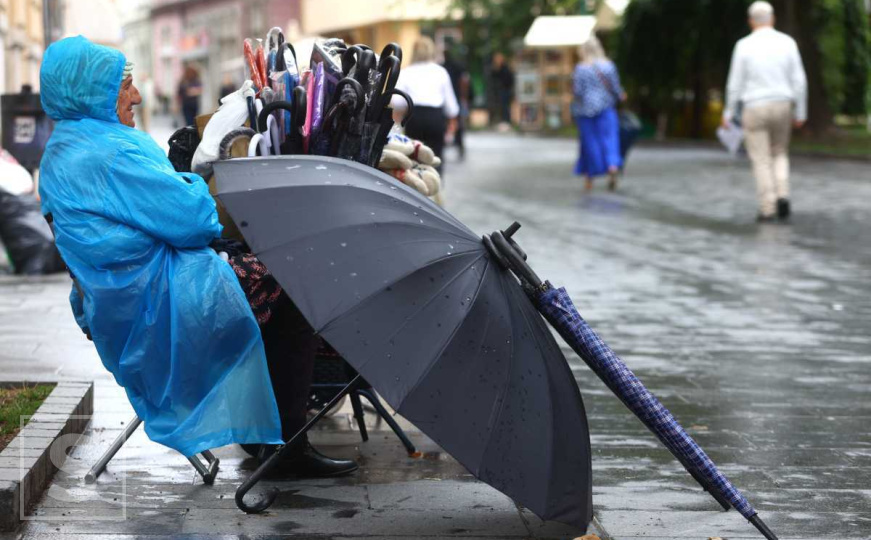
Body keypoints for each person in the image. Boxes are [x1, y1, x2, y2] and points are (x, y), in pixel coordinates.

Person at [37, 36, 356, 477]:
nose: (137, 96)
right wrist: (189, 185)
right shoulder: (112, 152)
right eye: (124, 85)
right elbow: (197, 222)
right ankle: (284, 447)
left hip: (116, 308)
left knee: (263, 268)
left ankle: (263, 430)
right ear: (91, 91)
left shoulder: (63, 148)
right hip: (159, 304)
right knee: (293, 279)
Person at [722, 1, 807, 222]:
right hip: (782, 104)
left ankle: (767, 207)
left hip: (754, 106)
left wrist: (728, 112)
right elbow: (799, 81)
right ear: (773, 18)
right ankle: (783, 194)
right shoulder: (787, 43)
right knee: (779, 152)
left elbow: (735, 83)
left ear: (751, 21)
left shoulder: (743, 45)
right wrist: (801, 113)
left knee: (760, 158)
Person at [393, 36, 459, 174]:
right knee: (436, 158)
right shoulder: (440, 72)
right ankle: (436, 187)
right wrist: (452, 124)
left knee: (414, 157)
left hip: (414, 117)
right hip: (435, 118)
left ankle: (417, 190)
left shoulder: (406, 72)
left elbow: (397, 102)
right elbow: (451, 107)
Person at [571, 36, 626, 191]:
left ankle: (589, 179)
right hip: (606, 109)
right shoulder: (609, 66)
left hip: (585, 112)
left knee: (590, 144)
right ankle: (612, 166)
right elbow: (616, 89)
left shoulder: (581, 68)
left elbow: (578, 92)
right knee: (610, 140)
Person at [442, 48, 470, 160]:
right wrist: (465, 97)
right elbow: (464, 82)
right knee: (458, 124)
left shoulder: (443, 67)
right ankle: (460, 145)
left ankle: (443, 146)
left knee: (444, 124)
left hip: (445, 99)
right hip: (457, 97)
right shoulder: (459, 66)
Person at [490, 53, 514, 129]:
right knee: (502, 106)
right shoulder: (499, 68)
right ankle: (504, 121)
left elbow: (508, 79)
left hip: (505, 89)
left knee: (505, 106)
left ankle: (507, 121)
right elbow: (494, 75)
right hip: (500, 90)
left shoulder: (505, 68)